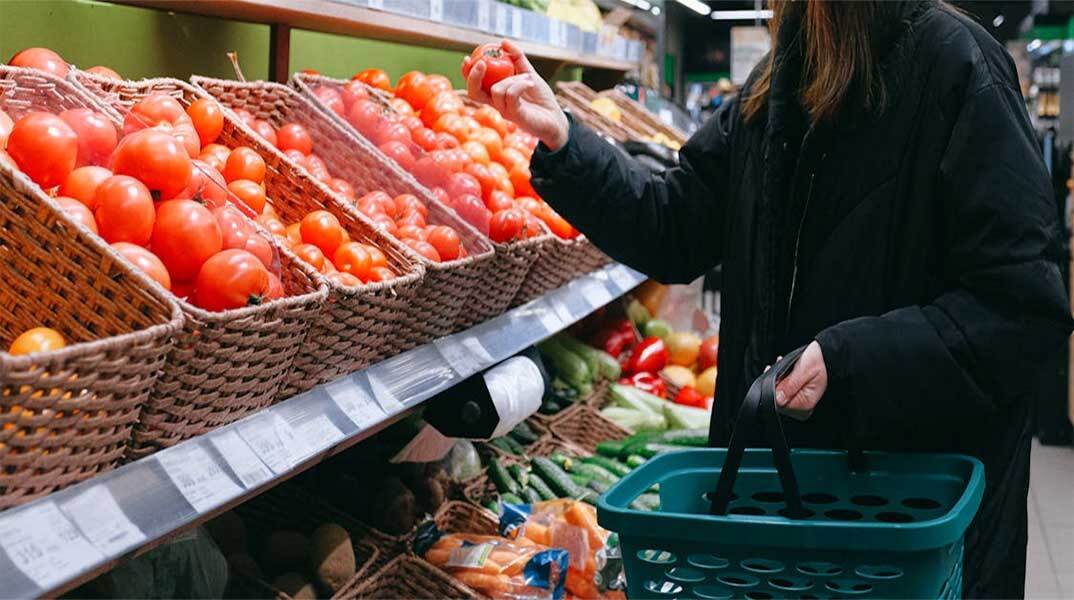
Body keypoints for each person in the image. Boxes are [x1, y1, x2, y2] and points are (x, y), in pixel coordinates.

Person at [464, 1, 1072, 598]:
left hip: (909, 527)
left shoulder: (958, 67)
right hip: (781, 515)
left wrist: (850, 360)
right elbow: (675, 226)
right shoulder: (781, 80)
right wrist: (565, 140)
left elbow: (1021, 309)